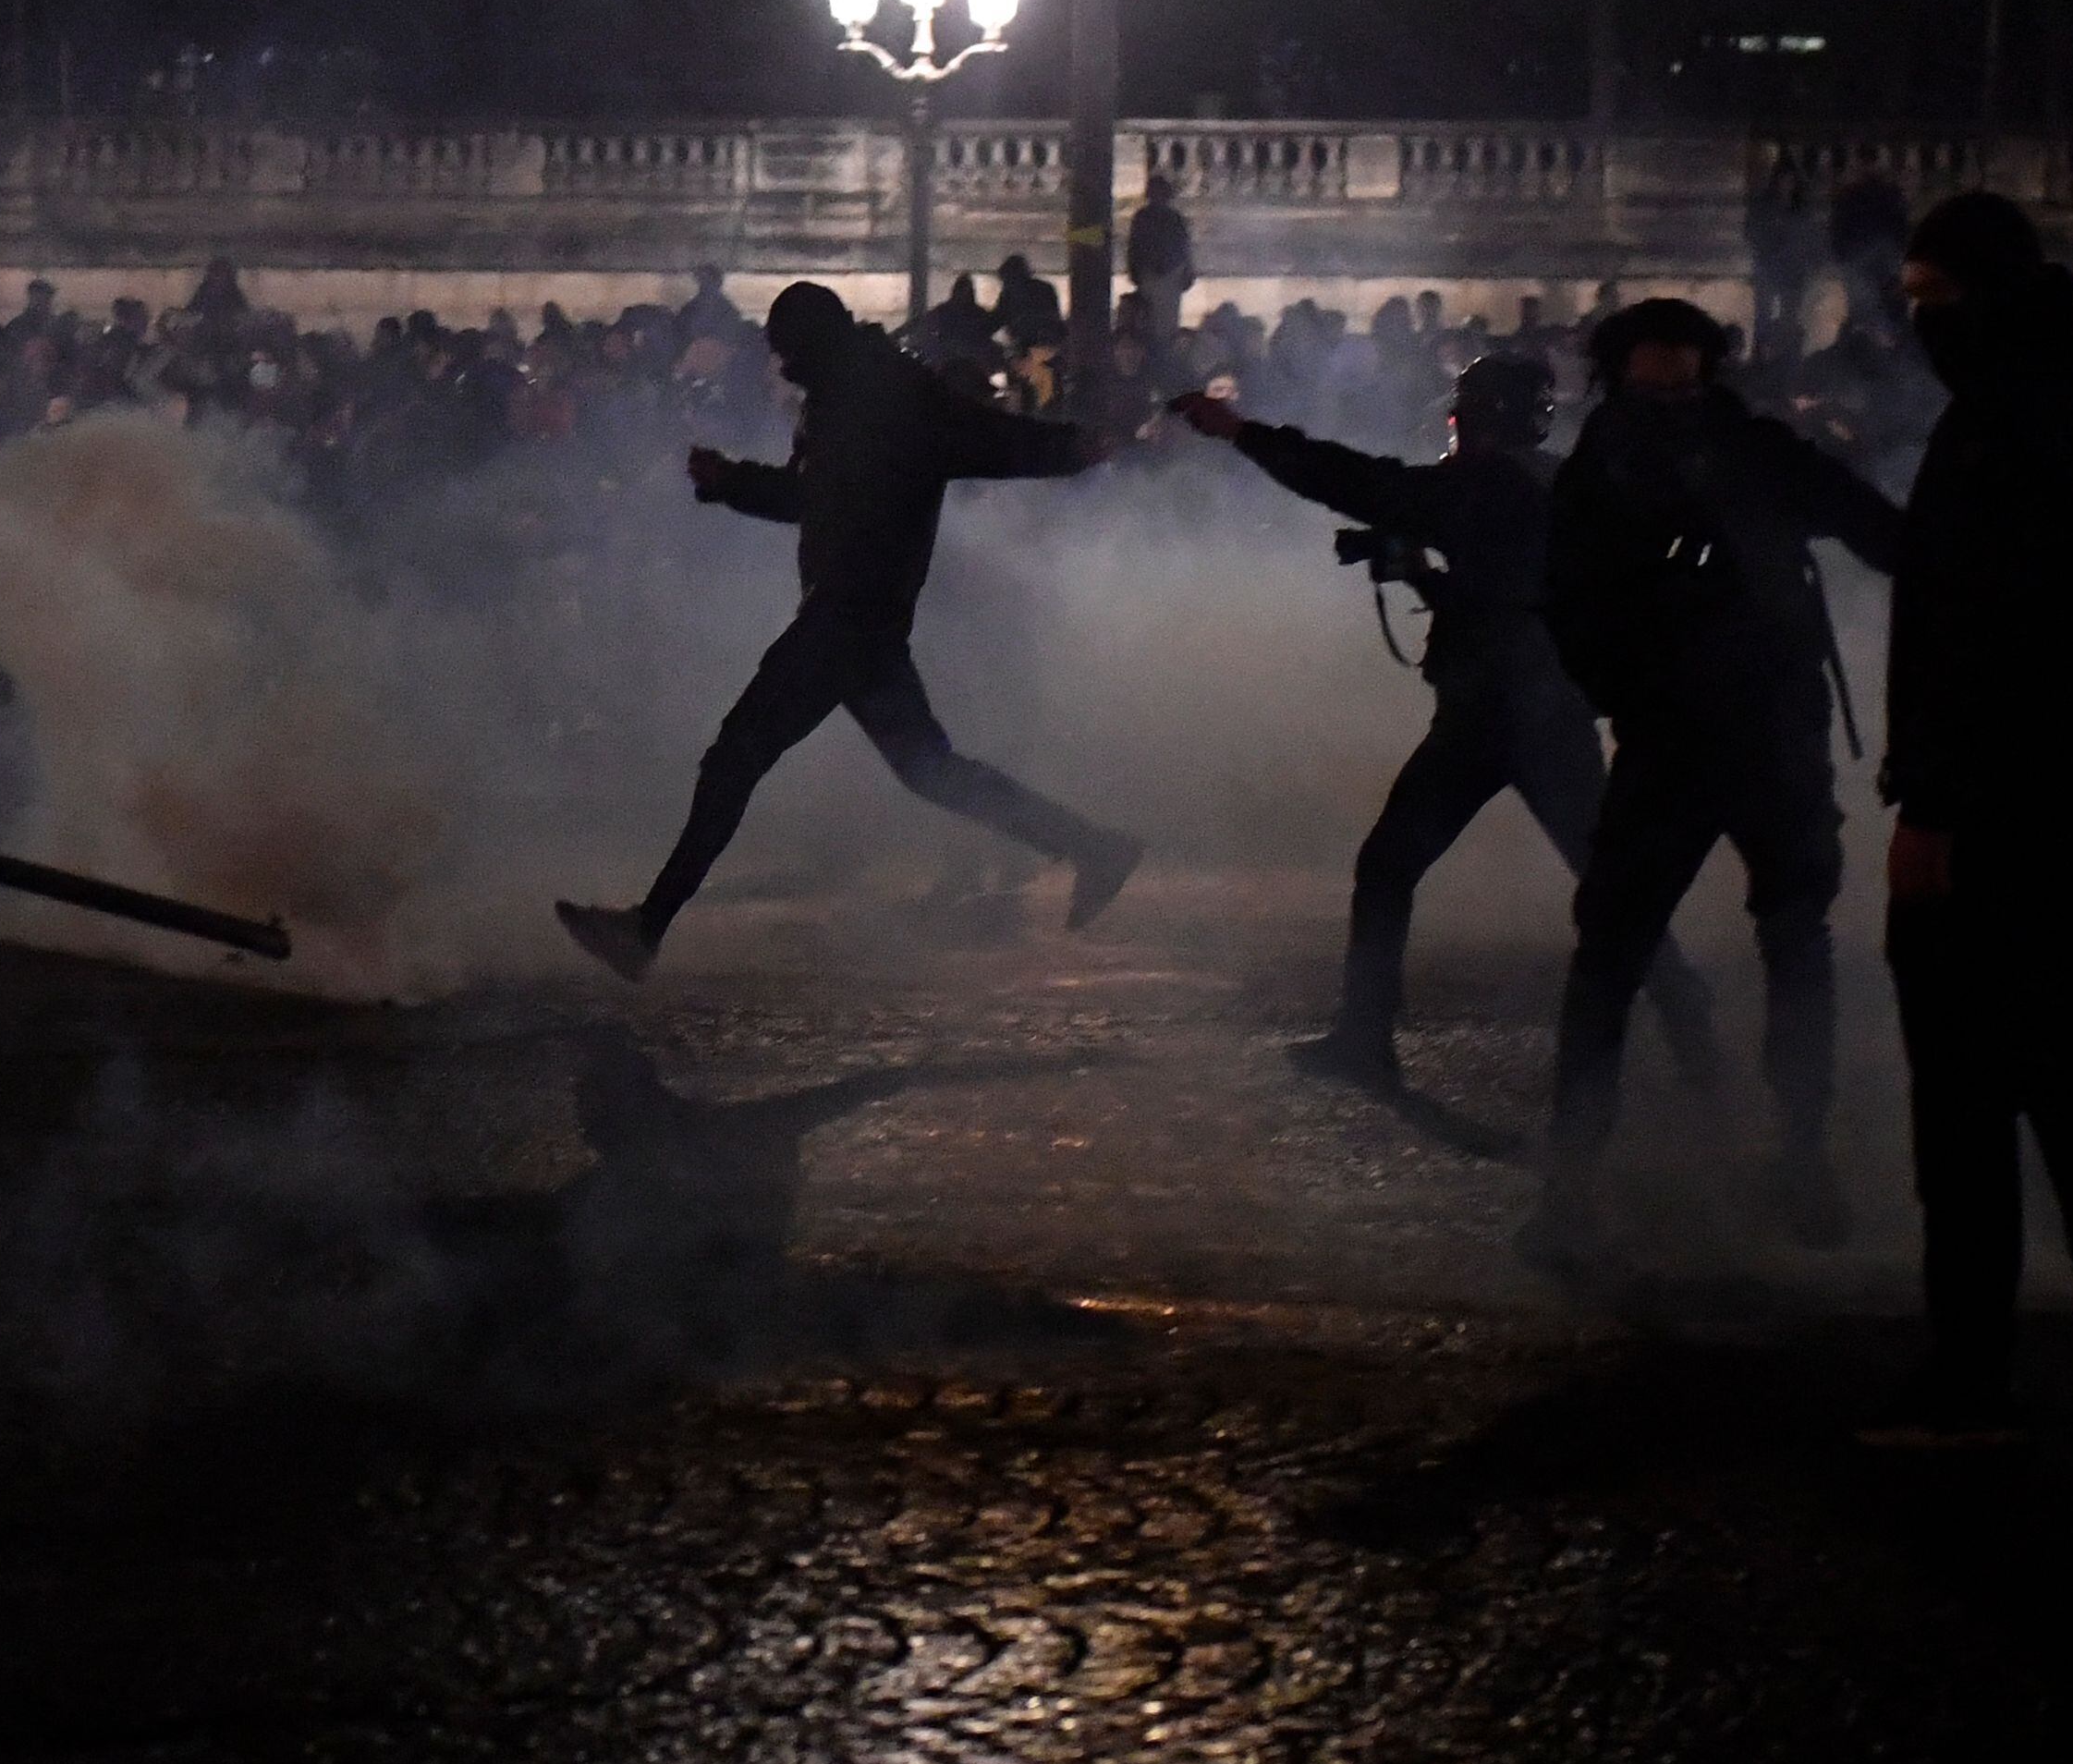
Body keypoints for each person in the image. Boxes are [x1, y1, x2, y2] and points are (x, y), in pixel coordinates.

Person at [1169, 352, 1719, 1097]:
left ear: (1478, 418)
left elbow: (1351, 479)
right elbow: (1507, 587)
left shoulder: (1484, 484)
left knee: (1393, 866)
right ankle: (1694, 1036)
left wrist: (1238, 431)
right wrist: (1424, 571)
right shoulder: (1559, 481)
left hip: (1498, 715)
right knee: (1600, 880)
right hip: (1542, 711)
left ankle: (1367, 1040)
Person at [560, 281, 1141, 980]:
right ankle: (1094, 846)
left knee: (736, 756)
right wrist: (730, 482)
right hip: (861, 621)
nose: (781, 365)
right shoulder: (840, 400)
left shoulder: (895, 398)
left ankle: (647, 928)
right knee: (931, 771)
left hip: (848, 616)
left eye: (787, 350)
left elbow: (995, 438)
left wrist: (1078, 447)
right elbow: (813, 501)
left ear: (813, 342)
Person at [1867, 195, 2073, 1443]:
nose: (1919, 329)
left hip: (2001, 819)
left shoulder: (1995, 430)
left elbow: (1978, 636)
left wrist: (1935, 804)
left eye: (1930, 303)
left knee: (1962, 1106)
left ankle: (1972, 1370)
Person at [1533, 298, 1908, 1256]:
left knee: (1791, 941)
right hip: (1674, 740)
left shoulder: (1753, 448)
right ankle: (1571, 1182)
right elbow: (1570, 605)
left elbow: (1873, 530)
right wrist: (1634, 691)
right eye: (1653, 372)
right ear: (1621, 374)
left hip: (1773, 732)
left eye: (1684, 371)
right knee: (1613, 956)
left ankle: (1801, 1155)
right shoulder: (1605, 468)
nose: (1670, 389)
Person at [1128, 171, 1194, 350]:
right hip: (1164, 276)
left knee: (1156, 322)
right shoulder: (1172, 218)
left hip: (1157, 276)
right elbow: (1185, 249)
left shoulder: (1145, 217)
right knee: (1160, 322)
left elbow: (1134, 247)